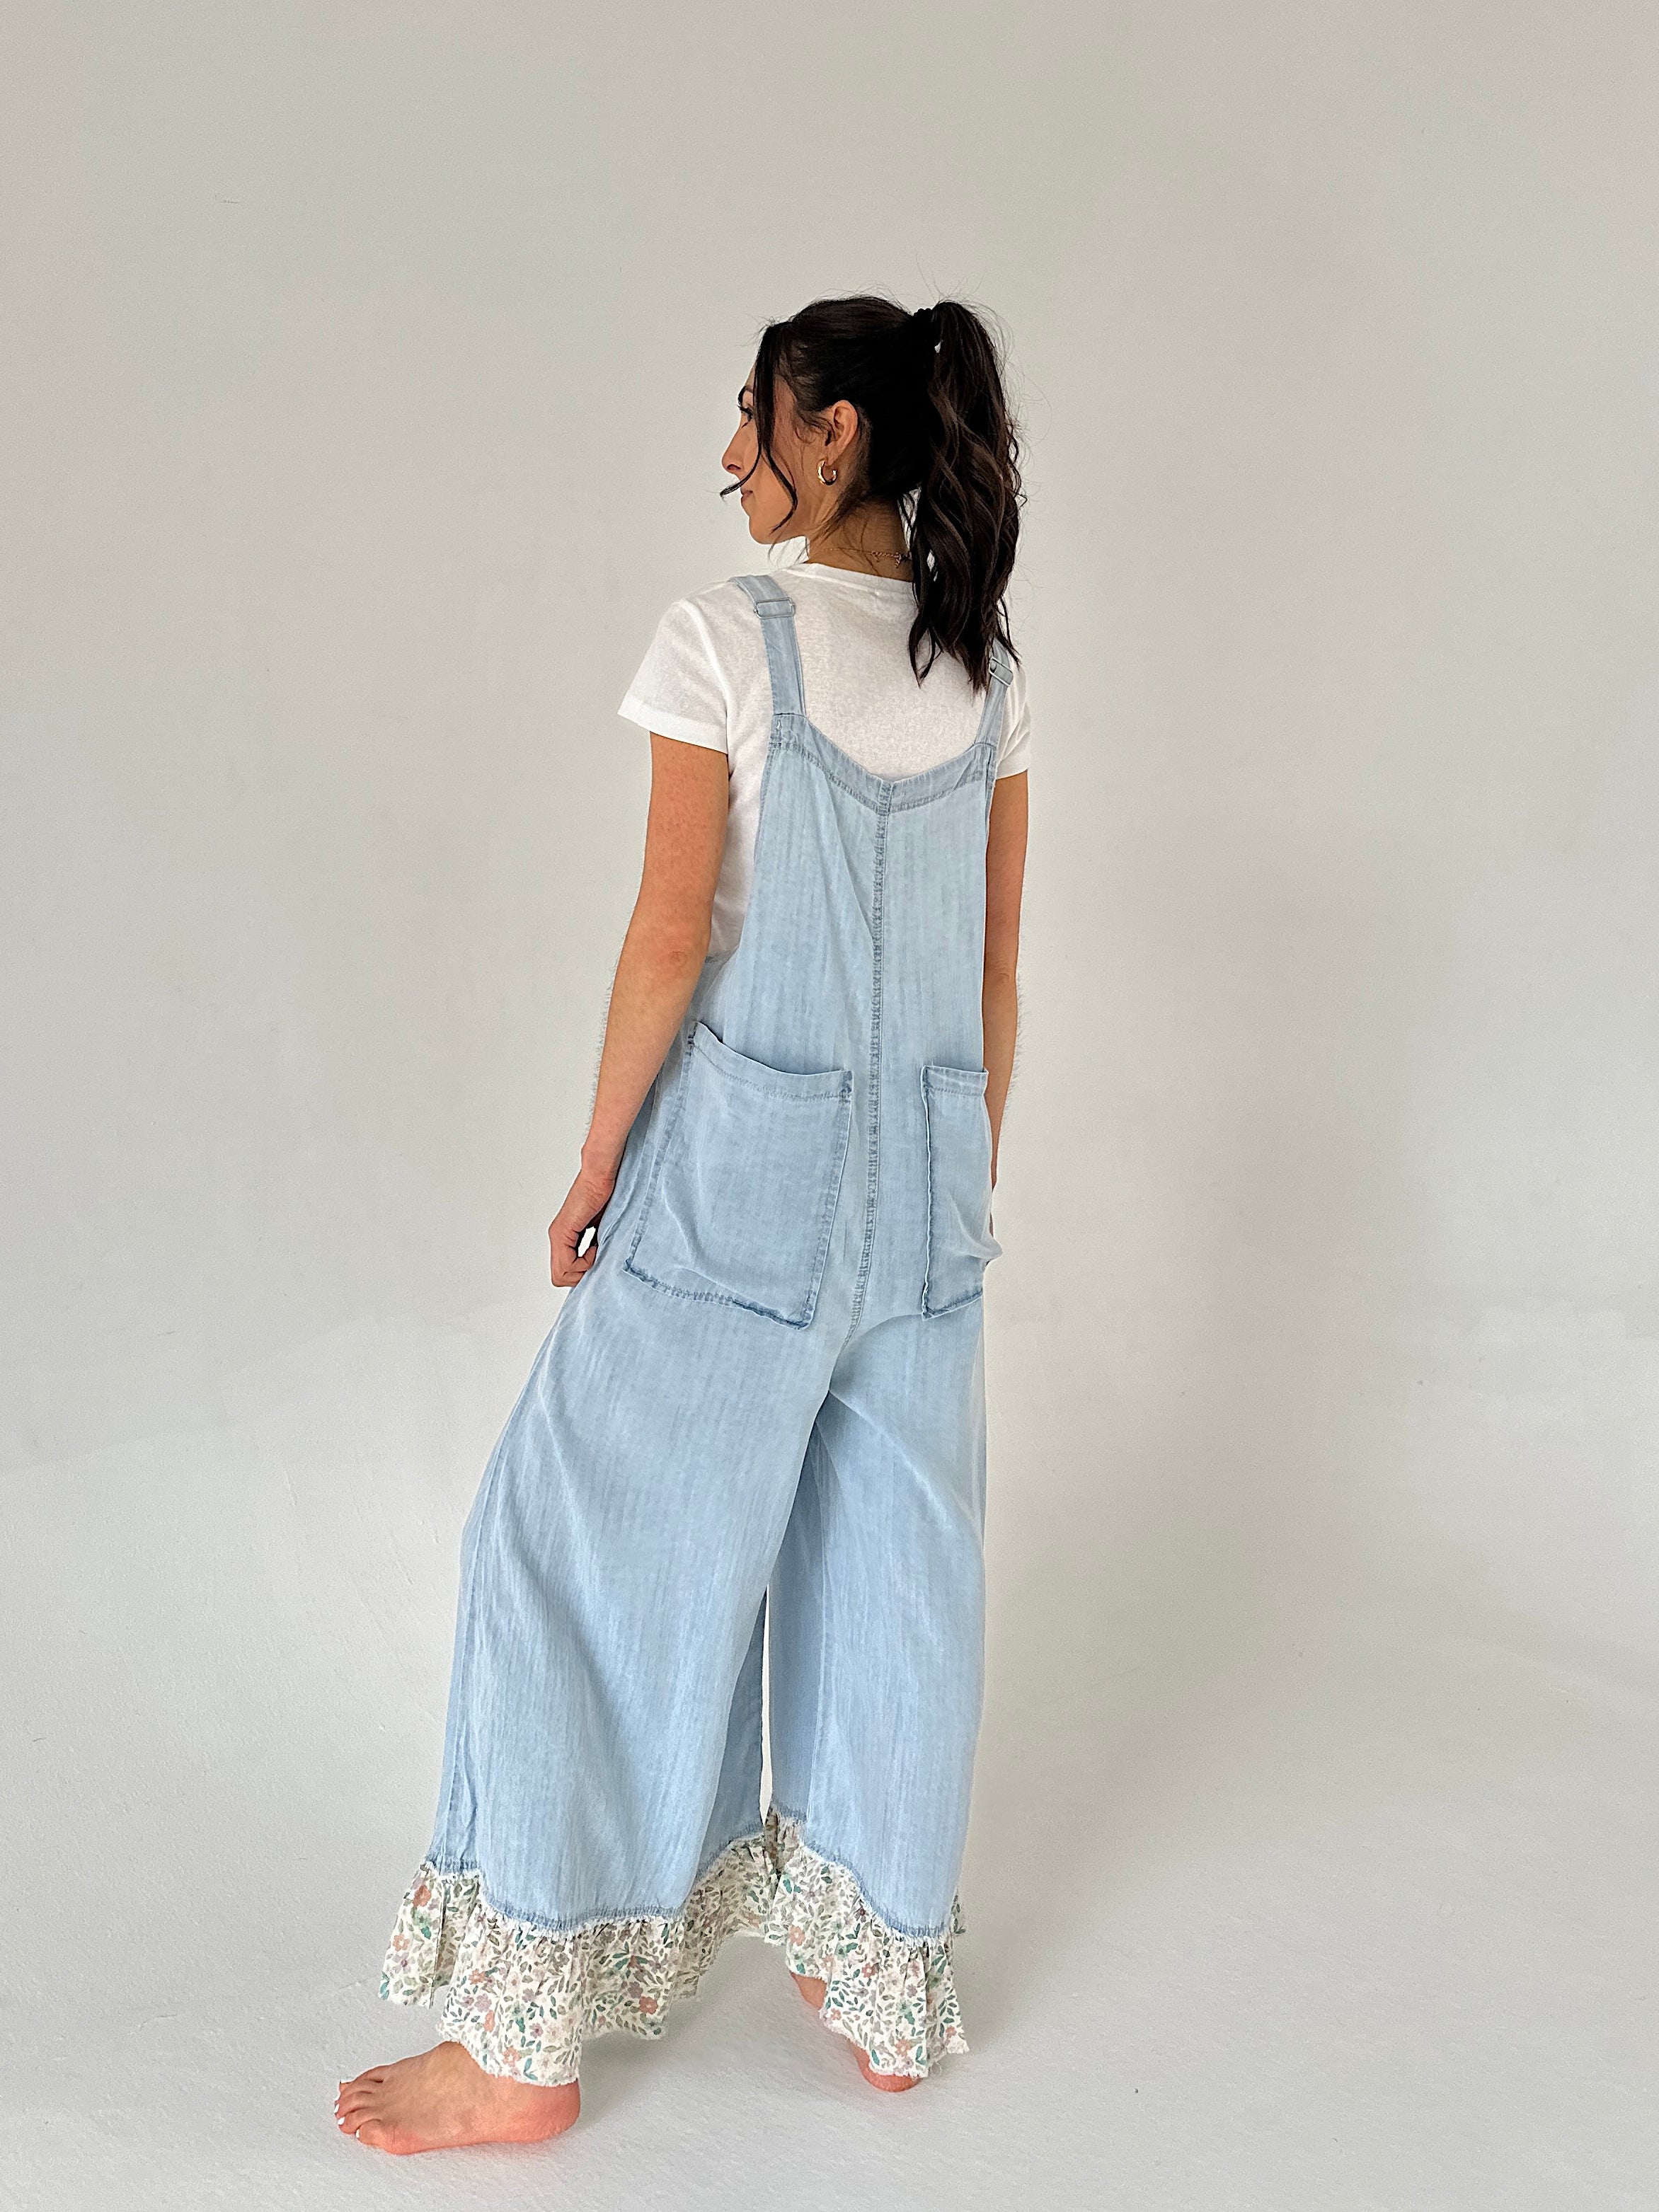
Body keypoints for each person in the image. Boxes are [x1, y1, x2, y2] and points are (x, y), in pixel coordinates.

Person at [335, 292, 1031, 2155]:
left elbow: (667, 937)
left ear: (836, 436)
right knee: (899, 1573)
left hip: (741, 1179)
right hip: (933, 1195)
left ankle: (523, 2047)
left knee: (558, 1545)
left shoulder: (727, 639)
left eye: (756, 418)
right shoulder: (986, 668)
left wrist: (592, 1169)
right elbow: (989, 971)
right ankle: (886, 2001)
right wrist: (948, 1195)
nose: (731, 454)